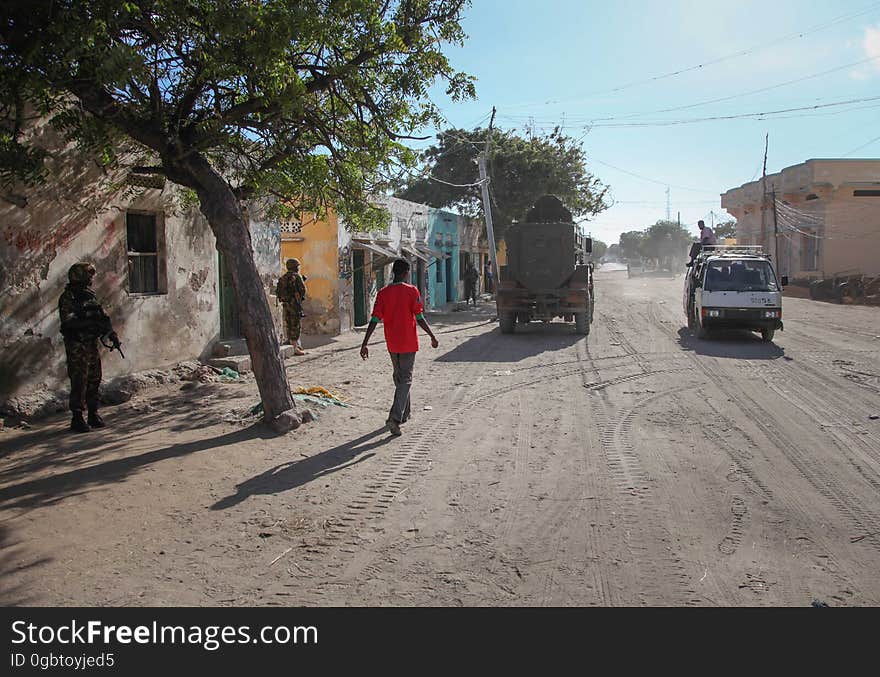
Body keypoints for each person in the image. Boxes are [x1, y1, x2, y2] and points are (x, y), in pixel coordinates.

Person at [359, 259, 439, 436]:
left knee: (399, 378)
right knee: (405, 380)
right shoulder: (412, 291)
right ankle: (394, 418)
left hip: (392, 344)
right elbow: (419, 317)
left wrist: (365, 343)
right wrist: (432, 335)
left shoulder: (383, 293)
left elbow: (374, 319)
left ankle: (404, 413)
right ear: (406, 272)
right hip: (408, 343)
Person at [58, 262, 119, 433]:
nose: (91, 279)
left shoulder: (89, 296)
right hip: (77, 344)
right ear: (79, 276)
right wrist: (88, 324)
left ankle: (93, 413)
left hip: (90, 344)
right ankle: (77, 417)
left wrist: (111, 333)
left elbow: (102, 316)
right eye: (88, 275)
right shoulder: (69, 297)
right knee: (79, 380)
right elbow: (68, 322)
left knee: (94, 378)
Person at [275, 258, 307, 355]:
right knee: (295, 324)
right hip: (294, 304)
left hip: (285, 304)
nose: (298, 268)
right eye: (297, 266)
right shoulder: (296, 277)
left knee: (288, 322)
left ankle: (292, 342)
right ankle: (294, 346)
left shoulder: (283, 278)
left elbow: (278, 292)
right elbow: (303, 291)